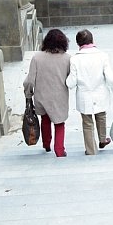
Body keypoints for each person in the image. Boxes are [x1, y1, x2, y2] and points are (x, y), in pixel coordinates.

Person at [67, 29, 113, 156]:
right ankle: (102, 139)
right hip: (100, 93)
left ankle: (91, 150)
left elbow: (71, 83)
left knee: (87, 123)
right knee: (101, 115)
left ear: (78, 43)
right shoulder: (103, 56)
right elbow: (110, 78)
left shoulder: (75, 60)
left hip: (84, 96)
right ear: (92, 41)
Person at [23, 29, 70, 157]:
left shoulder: (37, 57)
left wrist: (28, 95)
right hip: (59, 96)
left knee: (45, 119)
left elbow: (30, 80)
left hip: (41, 96)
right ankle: (59, 150)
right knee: (59, 123)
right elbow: (70, 79)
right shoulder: (67, 58)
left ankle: (46, 144)